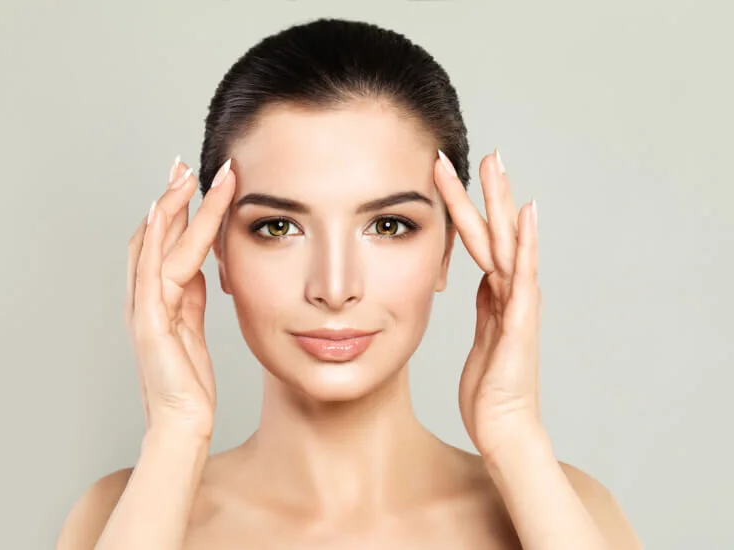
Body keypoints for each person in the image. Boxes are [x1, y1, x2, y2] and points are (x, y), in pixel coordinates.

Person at [57, 18, 641, 549]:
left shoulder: (569, 511)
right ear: (216, 251)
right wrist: (174, 435)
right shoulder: (119, 515)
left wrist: (514, 431)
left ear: (447, 250)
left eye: (389, 225)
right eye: (278, 226)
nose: (334, 288)